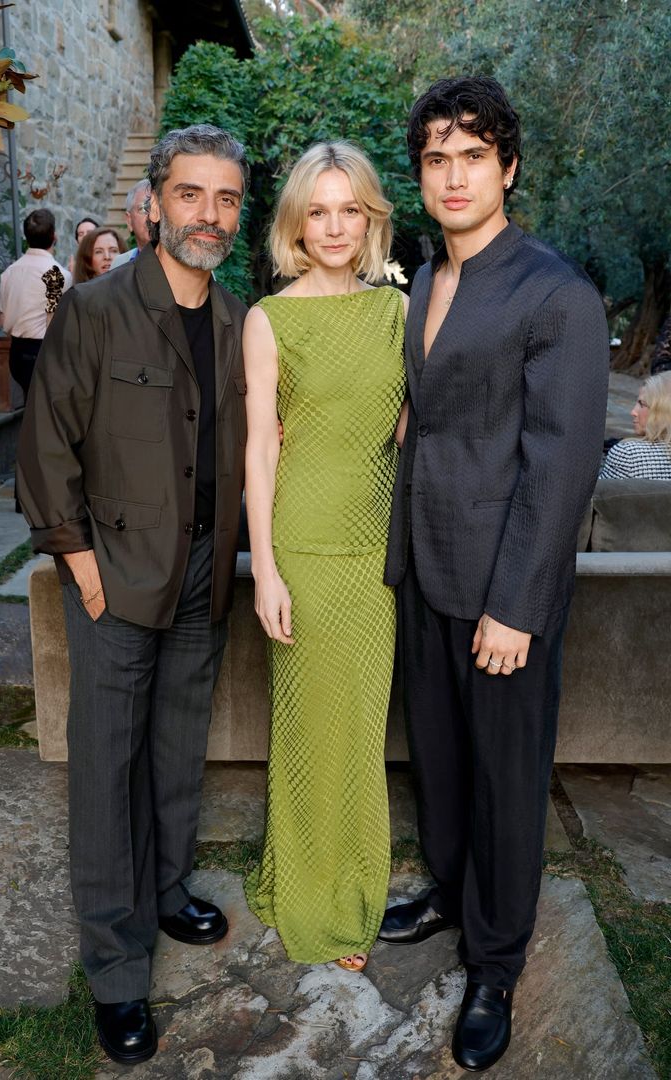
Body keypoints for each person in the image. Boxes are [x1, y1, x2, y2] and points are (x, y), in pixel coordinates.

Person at [379, 76, 610, 1071]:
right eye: (437, 158)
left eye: (474, 156)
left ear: (508, 168)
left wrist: (515, 607)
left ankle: (497, 961)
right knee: (438, 756)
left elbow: (560, 466)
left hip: (503, 587)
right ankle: (449, 888)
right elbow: (431, 417)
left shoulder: (556, 292)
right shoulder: (428, 277)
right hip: (426, 566)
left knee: (508, 781)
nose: (454, 175)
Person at [16, 124, 249, 1066]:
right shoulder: (97, 308)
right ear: (155, 202)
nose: (209, 214)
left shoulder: (237, 320)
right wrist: (79, 565)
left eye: (226, 198)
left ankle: (166, 889)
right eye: (191, 194)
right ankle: (117, 970)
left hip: (203, 573)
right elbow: (46, 444)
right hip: (112, 571)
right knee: (108, 768)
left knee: (176, 745)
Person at [243, 142, 408, 973]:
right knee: (309, 727)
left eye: (351, 210)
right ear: (296, 223)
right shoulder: (269, 319)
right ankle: (313, 895)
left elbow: (413, 425)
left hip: (376, 556)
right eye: (319, 211)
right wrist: (266, 572)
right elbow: (260, 451)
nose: (336, 227)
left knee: (361, 731)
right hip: (303, 550)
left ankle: (351, 887)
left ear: (371, 218)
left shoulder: (398, 312)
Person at [0, 208, 71, 403]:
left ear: (26, 236)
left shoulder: (9, 272)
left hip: (16, 353)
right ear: (54, 236)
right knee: (42, 411)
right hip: (41, 352)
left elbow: (2, 320)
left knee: (31, 407)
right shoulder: (56, 274)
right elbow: (54, 322)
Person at [600, 372, 671, 478]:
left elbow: (597, 489)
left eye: (642, 404)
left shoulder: (628, 455)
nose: (633, 412)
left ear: (664, 411)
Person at [111, 180, 152, 268]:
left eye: (159, 208)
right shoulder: (119, 265)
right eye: (143, 209)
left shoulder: (182, 262)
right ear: (129, 220)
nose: (152, 216)